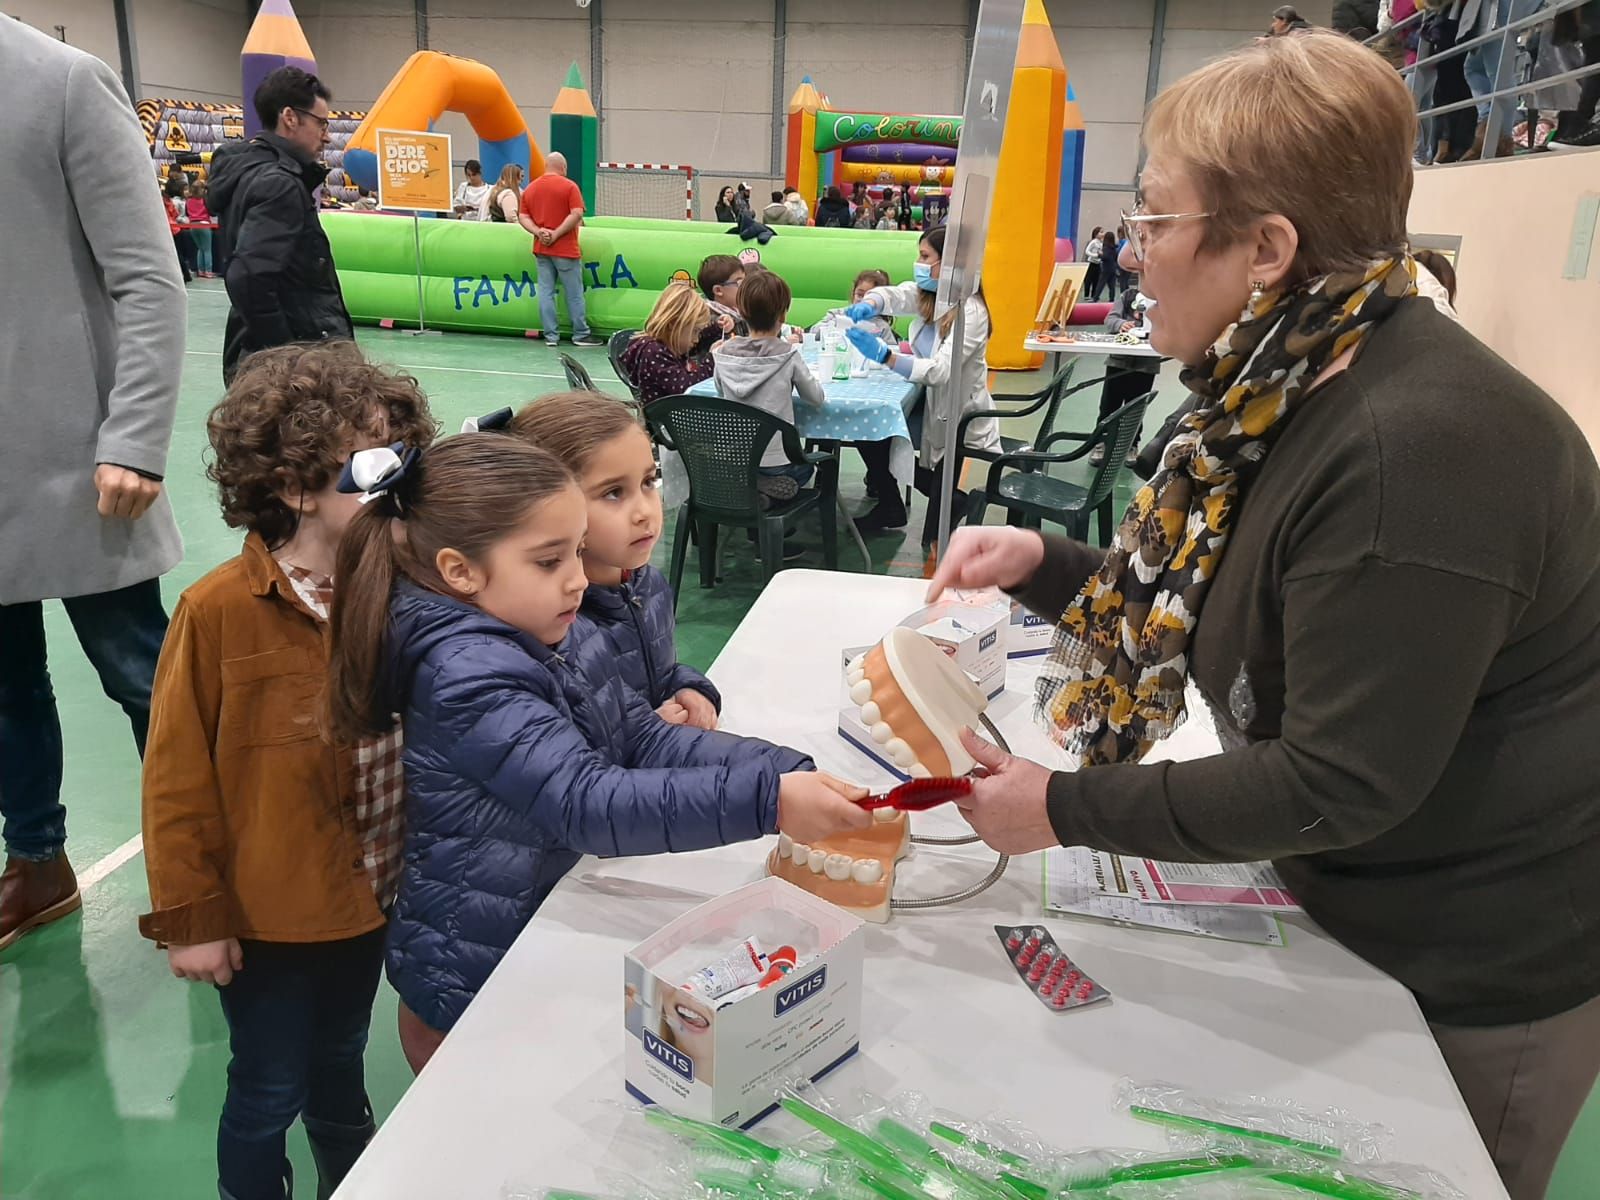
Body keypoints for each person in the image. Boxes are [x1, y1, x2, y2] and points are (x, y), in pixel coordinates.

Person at [926, 33, 1600, 1200]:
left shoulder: (1413, 450)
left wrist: (1062, 807)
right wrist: (1042, 562)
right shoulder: (1292, 380)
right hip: (1352, 901)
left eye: (1153, 222)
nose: (1134, 258)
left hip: (1468, 955)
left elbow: (1340, 779)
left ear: (1265, 250)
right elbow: (1229, 590)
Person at [324, 434, 871, 1070]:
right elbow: (588, 802)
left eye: (577, 553)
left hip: (540, 920)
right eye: (549, 561)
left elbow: (642, 736)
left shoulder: (554, 627)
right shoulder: (466, 674)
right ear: (459, 571)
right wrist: (770, 801)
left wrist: (784, 769)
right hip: (475, 970)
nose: (579, 580)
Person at [139, 344, 436, 1200]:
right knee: (268, 1086)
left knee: (341, 1064)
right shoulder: (219, 613)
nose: (398, 488)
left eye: (402, 462)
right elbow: (176, 784)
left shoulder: (405, 591)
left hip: (371, 898)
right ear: (298, 487)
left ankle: (352, 1181)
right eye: (373, 471)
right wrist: (193, 920)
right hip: (270, 918)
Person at [0, 17, 186, 953]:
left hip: (79, 461)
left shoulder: (64, 81)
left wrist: (138, 438)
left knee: (140, 672)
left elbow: (151, 278)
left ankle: (204, 864)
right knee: (3, 685)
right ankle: (35, 862)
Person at [508, 393, 720, 730]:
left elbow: (656, 672)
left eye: (648, 482)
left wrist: (689, 686)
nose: (644, 512)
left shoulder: (647, 584)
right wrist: (644, 733)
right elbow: (562, 755)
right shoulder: (552, 623)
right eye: (613, 493)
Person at [842, 225, 999, 546]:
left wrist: (885, 356)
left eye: (926, 256)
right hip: (931, 403)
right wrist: (871, 302)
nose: (920, 262)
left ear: (951, 263)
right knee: (869, 430)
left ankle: (943, 500)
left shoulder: (971, 311)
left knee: (877, 433)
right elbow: (898, 294)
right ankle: (892, 504)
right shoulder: (935, 296)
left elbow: (941, 371)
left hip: (958, 413)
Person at [210, 66, 353, 383]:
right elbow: (248, 277)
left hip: (255, 351)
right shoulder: (279, 184)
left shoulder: (246, 173)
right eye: (321, 123)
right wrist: (290, 356)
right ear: (290, 117)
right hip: (294, 361)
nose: (326, 135)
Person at [712, 270, 827, 496]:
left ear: (741, 312)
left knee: (753, 469)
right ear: (783, 316)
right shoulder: (788, 356)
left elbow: (720, 390)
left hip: (735, 461)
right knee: (808, 468)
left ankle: (752, 487)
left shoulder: (724, 353)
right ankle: (767, 495)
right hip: (778, 461)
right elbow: (816, 398)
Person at [519, 153, 602, 347]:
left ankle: (551, 336)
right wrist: (556, 234)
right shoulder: (570, 187)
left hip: (541, 249)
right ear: (563, 168)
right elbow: (577, 214)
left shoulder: (531, 188)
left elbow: (523, 216)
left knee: (546, 292)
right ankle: (580, 334)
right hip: (565, 249)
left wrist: (539, 232)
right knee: (573, 293)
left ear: (546, 166)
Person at [1458, 0, 1545, 160]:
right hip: (1493, 9)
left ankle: (1500, 140)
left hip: (1499, 8)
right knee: (1475, 68)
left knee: (1498, 73)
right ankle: (1489, 128)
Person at [1090, 274, 1160, 465]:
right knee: (1108, 406)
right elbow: (1110, 319)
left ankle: (1131, 445)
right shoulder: (1127, 296)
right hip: (1118, 363)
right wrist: (1122, 324)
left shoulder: (1164, 299)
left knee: (1136, 408)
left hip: (1146, 365)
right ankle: (1101, 444)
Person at [618, 282, 724, 403]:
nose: (696, 339)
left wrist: (717, 328)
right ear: (674, 325)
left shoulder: (669, 343)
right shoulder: (654, 352)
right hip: (665, 418)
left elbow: (694, 342)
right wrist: (711, 360)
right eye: (695, 331)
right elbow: (687, 388)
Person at [1547, 1, 1600, 149]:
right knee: (1592, 73)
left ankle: (1576, 128)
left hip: (1590, 21)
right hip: (1590, 22)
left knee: (1592, 73)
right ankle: (1575, 128)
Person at [812, 269, 895, 339]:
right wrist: (833, 324)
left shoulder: (881, 326)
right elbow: (813, 332)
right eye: (859, 295)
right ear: (853, 294)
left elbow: (892, 350)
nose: (863, 301)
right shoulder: (836, 314)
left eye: (870, 297)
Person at [697, 253, 747, 335]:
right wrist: (718, 327)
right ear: (718, 290)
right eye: (740, 283)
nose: (746, 287)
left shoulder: (740, 315)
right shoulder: (708, 322)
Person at [167, 176, 198, 283]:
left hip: (172, 229)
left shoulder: (167, 201)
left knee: (176, 253)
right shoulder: (171, 201)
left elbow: (174, 215)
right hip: (176, 228)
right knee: (178, 253)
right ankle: (186, 275)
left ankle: (185, 275)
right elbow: (175, 214)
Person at [186, 179, 216, 278]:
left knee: (200, 248)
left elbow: (187, 213)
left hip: (192, 225)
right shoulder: (204, 200)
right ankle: (208, 271)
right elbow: (211, 212)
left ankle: (201, 270)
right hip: (204, 224)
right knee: (207, 249)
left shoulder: (188, 201)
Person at [1083, 226, 1105, 301]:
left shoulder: (1101, 243)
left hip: (1098, 263)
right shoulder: (1093, 242)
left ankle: (1093, 295)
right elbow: (1087, 251)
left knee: (1096, 280)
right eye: (1101, 232)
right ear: (1096, 234)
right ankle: (1086, 294)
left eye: (1103, 232)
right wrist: (1095, 255)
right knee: (1088, 279)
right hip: (1091, 263)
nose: (1103, 234)